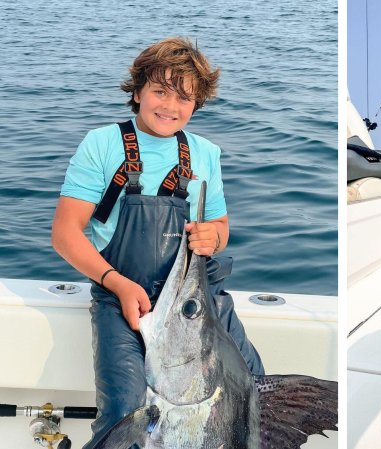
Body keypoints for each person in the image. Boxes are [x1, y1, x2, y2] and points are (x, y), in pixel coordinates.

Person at [51, 37, 264, 448]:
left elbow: (219, 225)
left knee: (253, 392)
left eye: (184, 97)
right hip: (123, 296)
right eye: (160, 91)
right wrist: (117, 283)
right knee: (123, 414)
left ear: (197, 103)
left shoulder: (204, 153)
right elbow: (65, 234)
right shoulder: (102, 144)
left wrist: (213, 236)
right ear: (137, 92)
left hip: (197, 302)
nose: (170, 106)